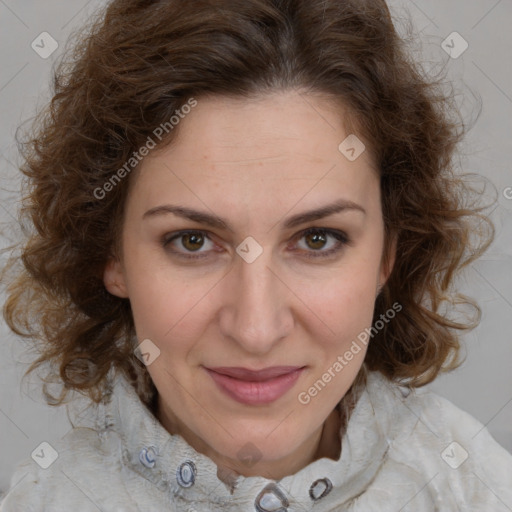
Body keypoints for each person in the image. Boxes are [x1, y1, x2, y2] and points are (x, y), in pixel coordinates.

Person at [1, 0, 511, 510]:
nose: (255, 329)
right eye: (193, 241)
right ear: (111, 256)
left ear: (388, 255)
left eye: (317, 239)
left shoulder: (474, 486)